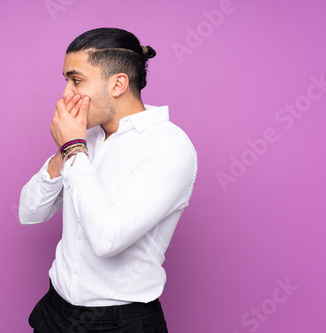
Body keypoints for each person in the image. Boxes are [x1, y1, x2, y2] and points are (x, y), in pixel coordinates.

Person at [19, 27, 197, 333]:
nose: (65, 95)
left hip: (121, 323)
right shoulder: (85, 136)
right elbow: (30, 213)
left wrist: (73, 149)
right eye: (66, 81)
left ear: (118, 84)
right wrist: (66, 152)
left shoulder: (169, 147)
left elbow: (107, 239)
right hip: (55, 312)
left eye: (76, 80)